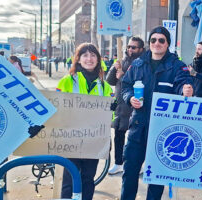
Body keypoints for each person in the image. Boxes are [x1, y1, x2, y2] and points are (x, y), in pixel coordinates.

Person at [120, 26, 193, 200]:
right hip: (138, 128)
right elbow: (125, 86)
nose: (157, 43)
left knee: (157, 178)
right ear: (149, 43)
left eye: (161, 40)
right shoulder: (137, 65)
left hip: (163, 132)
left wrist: (186, 91)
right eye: (153, 40)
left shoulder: (177, 66)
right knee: (129, 173)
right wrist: (130, 98)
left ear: (168, 44)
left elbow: (182, 84)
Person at [57, 43, 113, 200]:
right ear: (79, 59)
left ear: (98, 60)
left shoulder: (105, 86)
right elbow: (56, 108)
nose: (90, 59)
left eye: (93, 55)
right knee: (70, 179)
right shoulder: (67, 81)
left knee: (88, 180)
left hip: (93, 140)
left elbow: (111, 118)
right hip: (71, 139)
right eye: (85, 55)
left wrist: (112, 109)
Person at [106, 36, 144, 175]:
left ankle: (137, 164)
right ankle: (118, 163)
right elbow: (110, 81)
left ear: (141, 49)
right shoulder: (122, 61)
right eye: (128, 46)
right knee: (118, 135)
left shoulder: (142, 64)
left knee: (135, 139)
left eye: (133, 47)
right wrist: (114, 69)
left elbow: (139, 84)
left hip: (134, 106)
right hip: (120, 106)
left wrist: (122, 76)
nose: (130, 49)